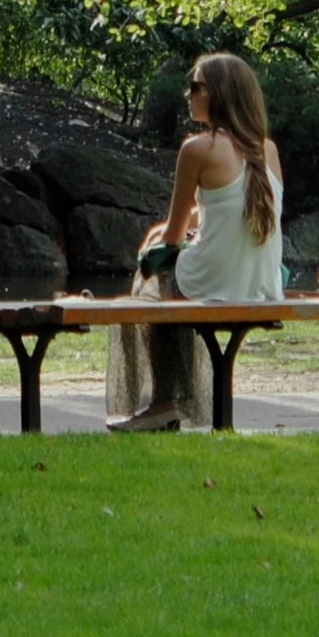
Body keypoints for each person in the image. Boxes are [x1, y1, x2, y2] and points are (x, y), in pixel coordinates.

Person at [104, 53, 285, 432]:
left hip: (217, 284)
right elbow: (233, 210)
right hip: (262, 288)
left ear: (220, 94)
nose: (187, 94)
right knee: (172, 280)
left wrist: (161, 240)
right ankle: (171, 401)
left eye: (196, 86)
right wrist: (183, 229)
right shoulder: (266, 149)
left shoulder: (197, 148)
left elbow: (171, 238)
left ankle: (162, 402)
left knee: (150, 278)